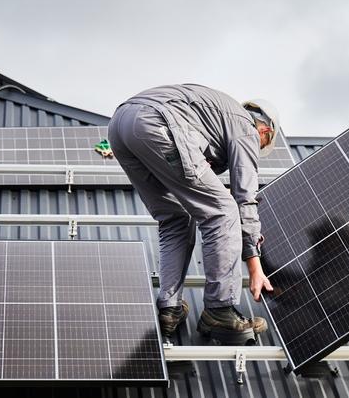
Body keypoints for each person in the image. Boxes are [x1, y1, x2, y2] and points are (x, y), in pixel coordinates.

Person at [108, 84, 276, 341]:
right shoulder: (246, 127)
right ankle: (220, 310)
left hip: (120, 125)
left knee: (175, 217)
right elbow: (245, 197)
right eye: (261, 144)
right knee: (223, 211)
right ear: (264, 130)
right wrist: (254, 264)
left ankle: (169, 307)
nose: (256, 150)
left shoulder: (216, 115)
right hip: (157, 121)